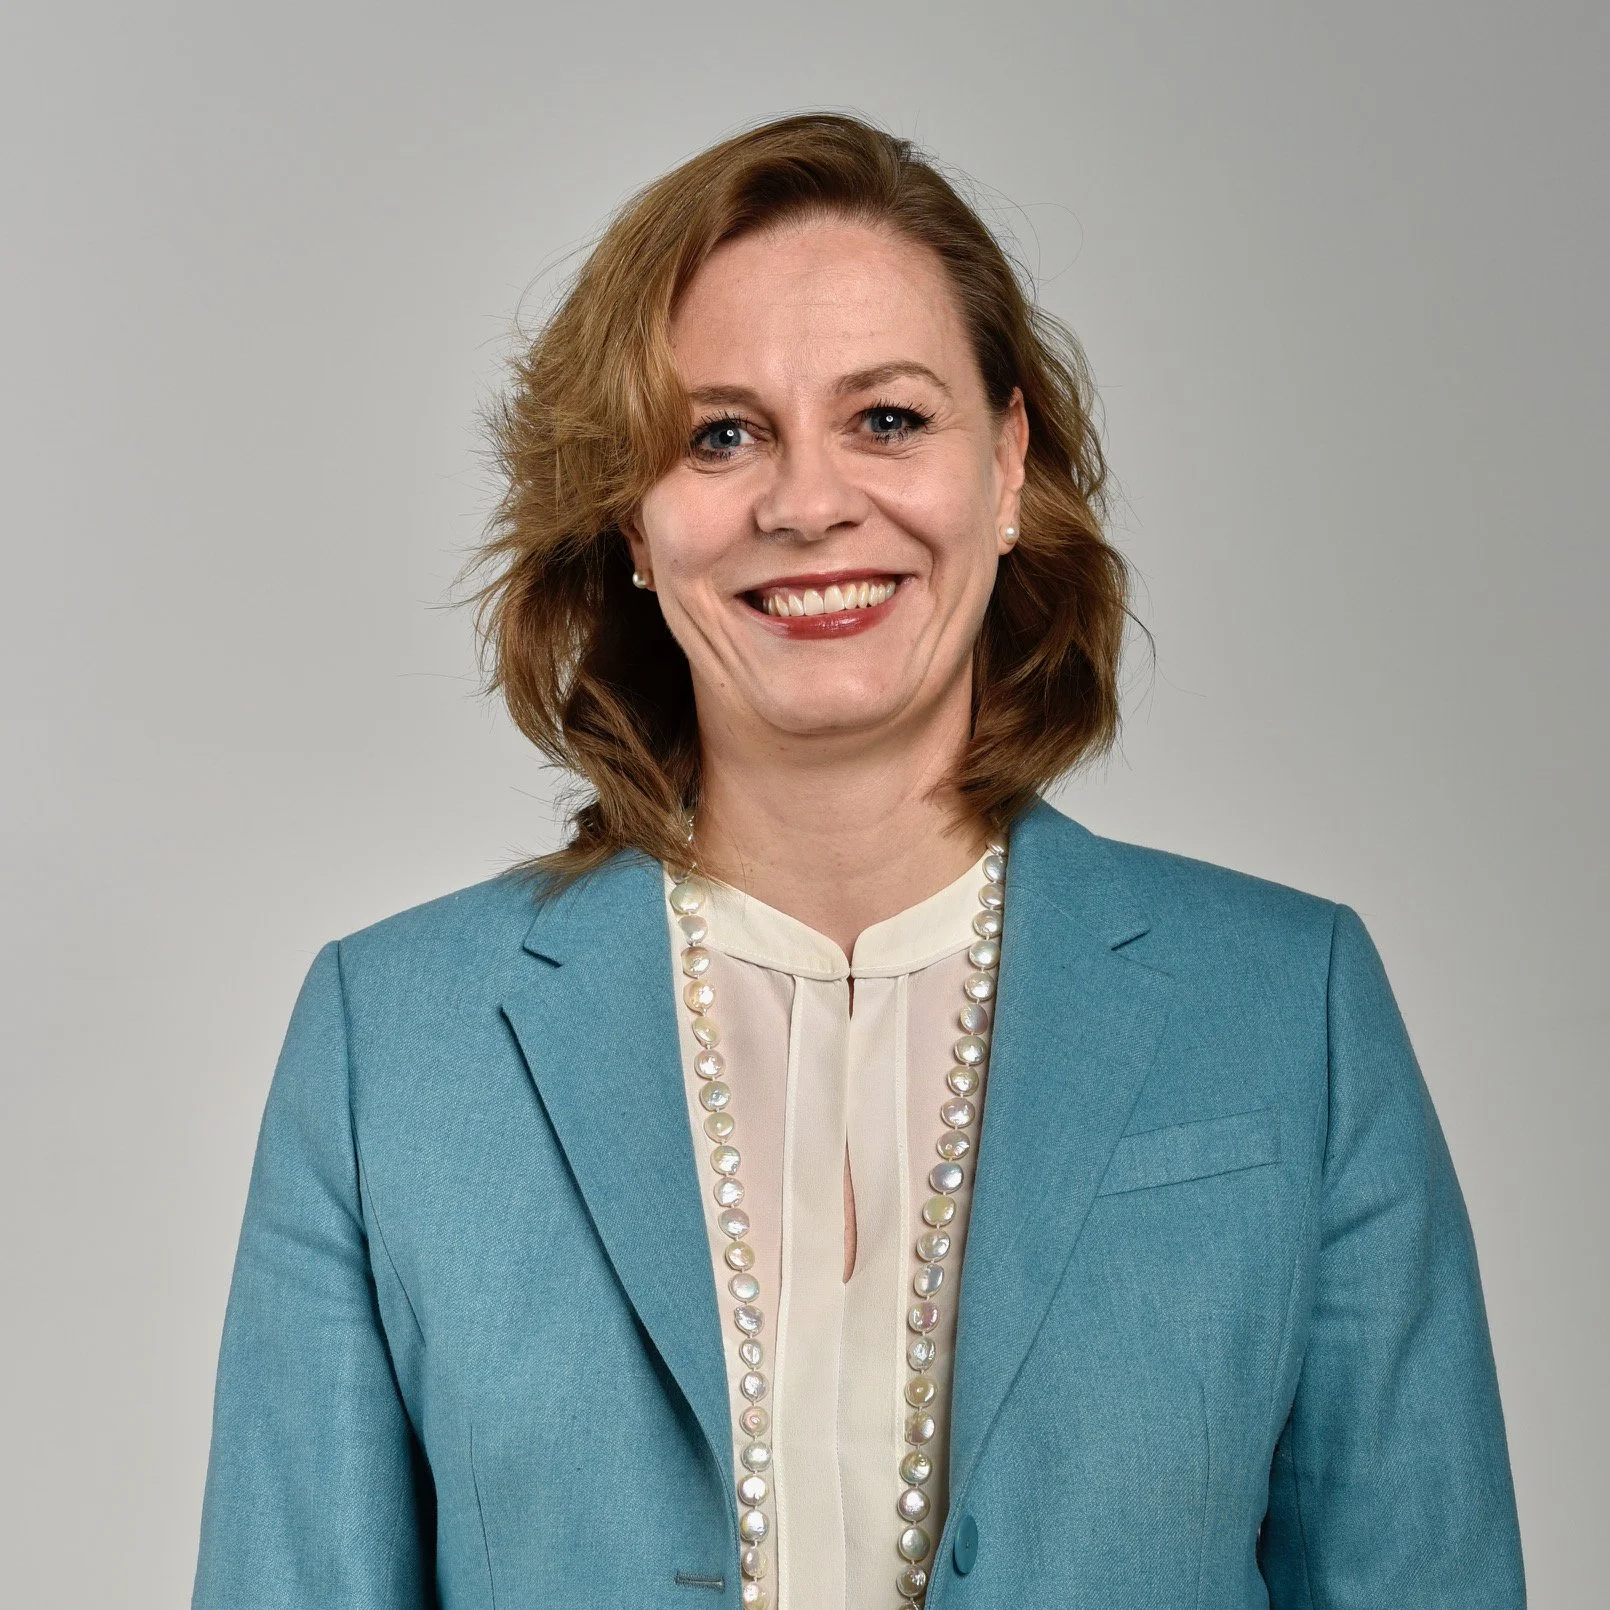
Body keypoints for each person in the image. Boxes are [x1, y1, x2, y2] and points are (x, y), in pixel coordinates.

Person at [192, 113, 1525, 1610]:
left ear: (1008, 465)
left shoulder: (1291, 1011)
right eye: (718, 433)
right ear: (630, 520)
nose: (807, 502)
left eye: (886, 418)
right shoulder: (395, 1044)